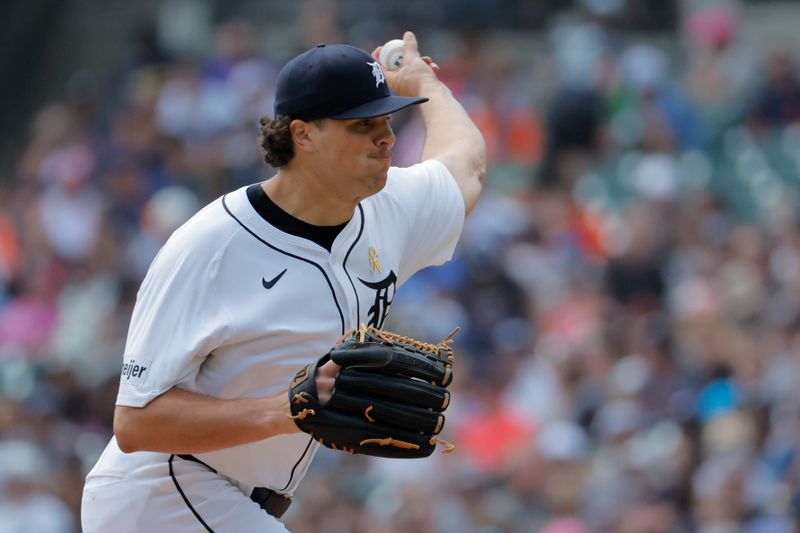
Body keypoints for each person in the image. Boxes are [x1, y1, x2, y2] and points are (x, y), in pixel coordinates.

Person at [81, 31, 485, 532]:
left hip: (232, 501)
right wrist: (288, 409)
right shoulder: (210, 246)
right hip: (162, 491)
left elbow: (467, 164)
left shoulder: (390, 209)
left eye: (387, 119)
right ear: (303, 134)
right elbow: (136, 424)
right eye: (363, 124)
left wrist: (426, 82)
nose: (387, 137)